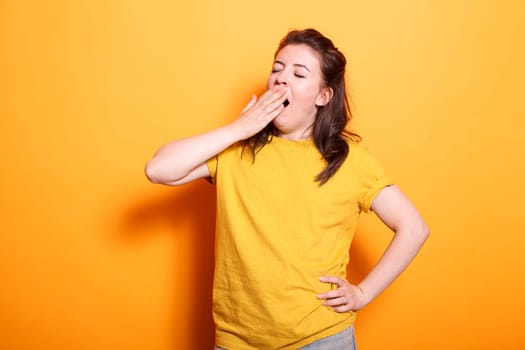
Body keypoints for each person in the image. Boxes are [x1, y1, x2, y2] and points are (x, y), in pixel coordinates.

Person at [145, 28, 429, 350]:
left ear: (323, 96)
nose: (281, 79)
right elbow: (158, 169)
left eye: (299, 73)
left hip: (320, 339)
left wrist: (362, 293)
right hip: (238, 342)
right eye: (277, 69)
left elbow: (414, 227)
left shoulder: (350, 161)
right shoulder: (237, 150)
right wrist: (240, 128)